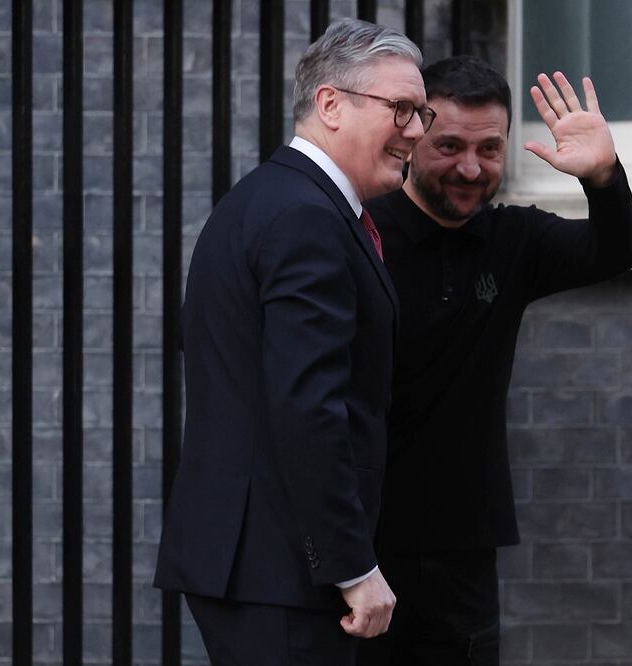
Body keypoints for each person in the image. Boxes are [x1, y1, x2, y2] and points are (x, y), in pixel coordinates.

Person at [153, 19, 436, 666]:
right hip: (278, 571)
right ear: (330, 104)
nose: (416, 131)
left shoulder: (268, 200)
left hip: (256, 564)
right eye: (401, 109)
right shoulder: (304, 217)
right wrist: (351, 565)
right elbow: (308, 405)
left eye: (420, 112)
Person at [357, 56, 632, 665]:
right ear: (413, 138)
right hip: (359, 544)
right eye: (450, 146)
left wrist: (603, 177)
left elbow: (615, 249)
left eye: (490, 149)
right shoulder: (360, 232)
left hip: (463, 549)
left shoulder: (514, 241)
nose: (470, 167)